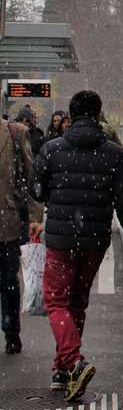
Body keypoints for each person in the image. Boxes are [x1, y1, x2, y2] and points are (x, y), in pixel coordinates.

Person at [28, 89, 123, 402]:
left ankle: (74, 362)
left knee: (56, 302)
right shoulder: (114, 154)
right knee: (77, 302)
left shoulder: (52, 150)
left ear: (69, 117)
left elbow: (36, 190)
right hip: (94, 242)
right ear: (97, 116)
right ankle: (62, 369)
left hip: (60, 241)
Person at [1, 116, 43, 353]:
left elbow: (31, 178)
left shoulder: (16, 132)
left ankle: (11, 331)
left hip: (8, 221)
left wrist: (36, 216)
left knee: (8, 281)